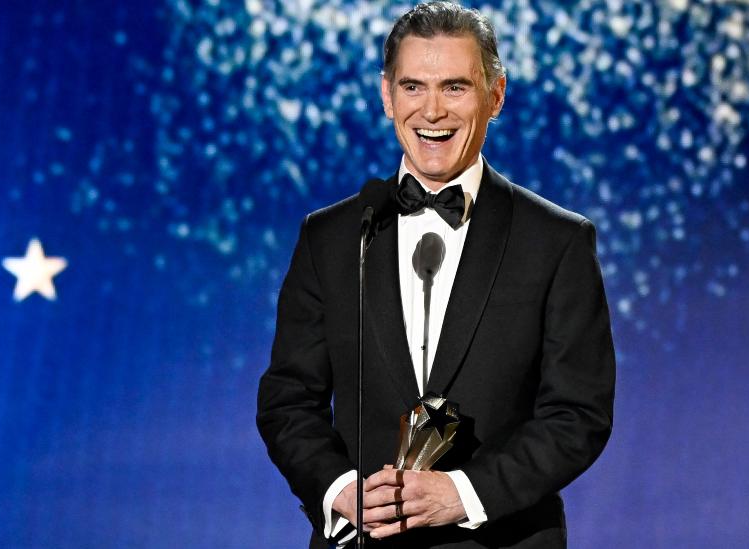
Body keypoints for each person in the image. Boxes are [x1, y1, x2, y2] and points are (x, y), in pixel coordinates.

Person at [257, 2, 615, 547]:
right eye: (413, 87)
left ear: (495, 95)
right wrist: (339, 489)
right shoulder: (330, 238)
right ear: (386, 95)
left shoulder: (557, 242)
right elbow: (288, 401)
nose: (432, 111)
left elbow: (577, 415)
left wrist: (464, 493)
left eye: (455, 87)